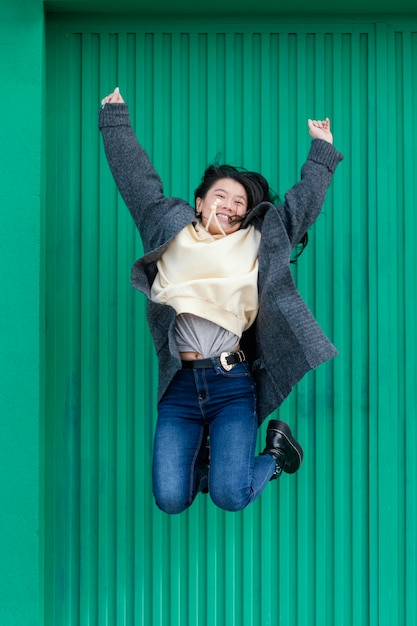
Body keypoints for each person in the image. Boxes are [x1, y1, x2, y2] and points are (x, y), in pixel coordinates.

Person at [99, 87, 343, 514]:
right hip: (179, 384)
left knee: (231, 495)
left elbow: (301, 208)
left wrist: (321, 151)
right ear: (199, 202)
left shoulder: (256, 239)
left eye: (240, 202)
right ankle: (214, 458)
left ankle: (275, 456)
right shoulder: (168, 227)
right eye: (221, 197)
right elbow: (136, 179)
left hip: (231, 385)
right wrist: (114, 117)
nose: (230, 206)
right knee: (172, 498)